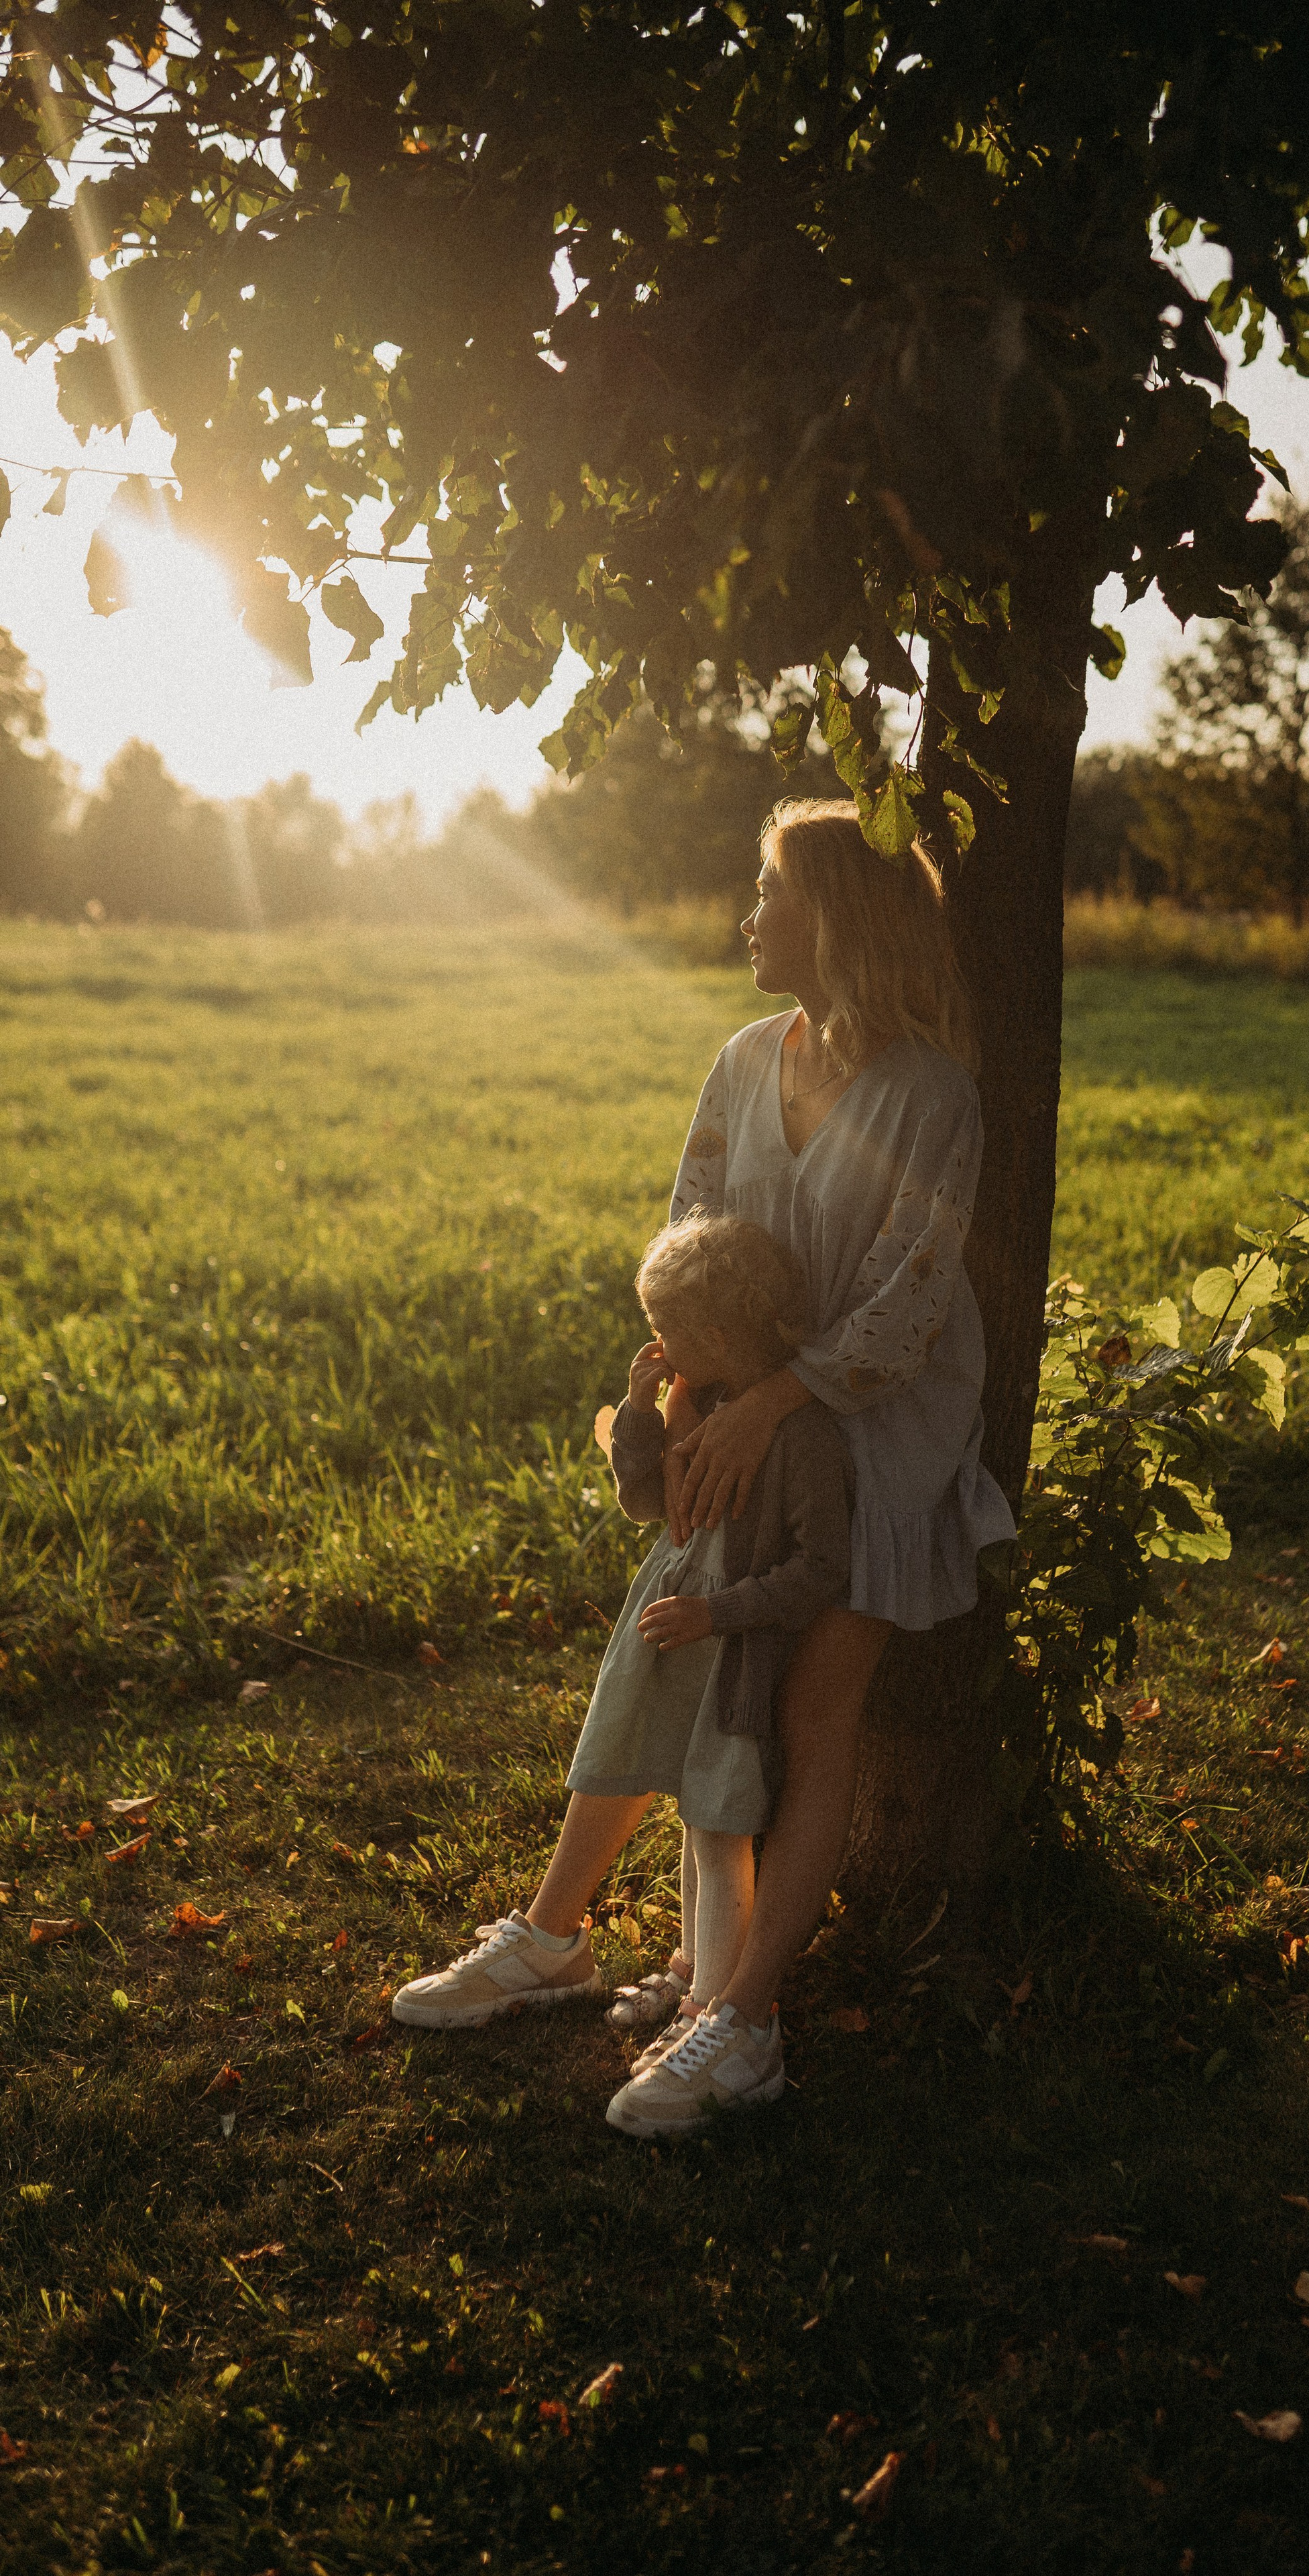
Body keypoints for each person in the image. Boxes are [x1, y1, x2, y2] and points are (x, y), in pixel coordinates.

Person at [396, 794, 1013, 2135]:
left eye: (771, 893)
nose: (749, 917)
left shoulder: (932, 1095)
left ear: (836, 918)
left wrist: (777, 1398)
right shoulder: (743, 1060)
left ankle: (745, 2020)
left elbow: (912, 1294)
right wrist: (691, 1391)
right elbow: (694, 1234)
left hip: (872, 1424)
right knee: (670, 1655)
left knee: (811, 1713)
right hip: (743, 1413)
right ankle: (554, 1938)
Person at [391, 1214, 851, 2080]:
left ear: (720, 1337)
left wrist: (716, 1613)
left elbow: (821, 1567)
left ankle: (715, 2010)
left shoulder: (801, 1437)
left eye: (669, 1328)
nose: (658, 1343)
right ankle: (685, 1980)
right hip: (668, 1646)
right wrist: (639, 1413)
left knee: (717, 1824)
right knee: (679, 1805)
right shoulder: (706, 1406)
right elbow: (645, 1503)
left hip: (730, 1657)